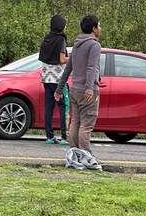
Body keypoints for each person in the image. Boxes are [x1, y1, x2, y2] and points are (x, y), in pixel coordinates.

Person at [55, 15, 101, 153]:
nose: (100, 28)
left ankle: (74, 151)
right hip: (88, 89)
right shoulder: (94, 45)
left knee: (76, 121)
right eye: (99, 26)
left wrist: (60, 88)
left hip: (74, 88)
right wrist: (89, 88)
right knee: (86, 124)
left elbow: (68, 68)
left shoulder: (77, 45)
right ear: (93, 28)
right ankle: (86, 153)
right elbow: (91, 67)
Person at [39, 14, 69, 145]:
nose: (65, 28)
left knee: (49, 107)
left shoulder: (46, 39)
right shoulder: (60, 39)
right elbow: (62, 59)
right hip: (58, 79)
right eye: (65, 25)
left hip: (46, 78)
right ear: (61, 26)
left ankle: (49, 136)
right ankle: (64, 137)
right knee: (63, 107)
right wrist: (72, 58)